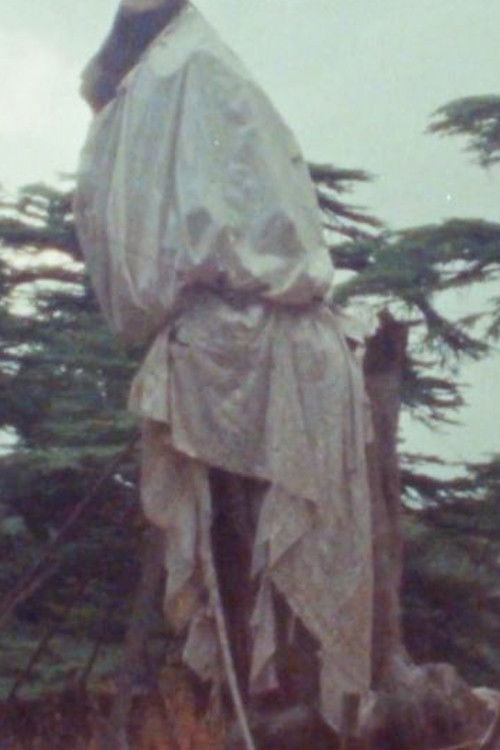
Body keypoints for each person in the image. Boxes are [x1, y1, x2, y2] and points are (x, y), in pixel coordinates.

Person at [75, 0, 373, 742]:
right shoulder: (172, 73)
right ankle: (258, 711)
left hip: (243, 344)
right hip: (222, 347)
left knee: (261, 570)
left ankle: (279, 712)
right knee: (239, 564)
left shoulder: (187, 71)